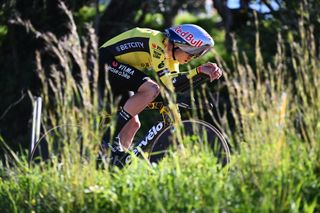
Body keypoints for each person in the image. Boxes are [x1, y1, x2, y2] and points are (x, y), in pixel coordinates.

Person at [98, 24, 222, 162]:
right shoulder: (157, 43)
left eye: (197, 55)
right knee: (151, 89)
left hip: (118, 70)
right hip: (105, 62)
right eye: (192, 53)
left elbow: (176, 85)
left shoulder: (171, 57)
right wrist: (198, 71)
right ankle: (109, 139)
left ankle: (116, 163)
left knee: (133, 124)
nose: (192, 58)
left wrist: (201, 77)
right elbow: (169, 82)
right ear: (181, 45)